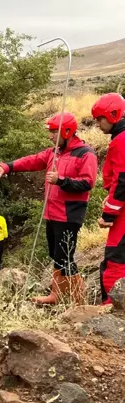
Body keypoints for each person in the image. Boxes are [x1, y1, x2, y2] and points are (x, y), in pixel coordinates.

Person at [0, 112, 98, 305]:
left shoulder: (85, 153)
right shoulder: (54, 152)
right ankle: (56, 295)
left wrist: (60, 180)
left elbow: (88, 183)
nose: (51, 136)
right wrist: (7, 167)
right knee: (56, 255)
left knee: (65, 258)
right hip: (52, 214)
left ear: (68, 132)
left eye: (54, 132)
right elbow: (33, 160)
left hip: (68, 215)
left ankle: (80, 301)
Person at [92, 93, 125, 304]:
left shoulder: (121, 141)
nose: (97, 124)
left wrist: (109, 214)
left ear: (113, 115)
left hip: (123, 214)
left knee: (115, 262)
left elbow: (122, 180)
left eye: (100, 119)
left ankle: (110, 310)